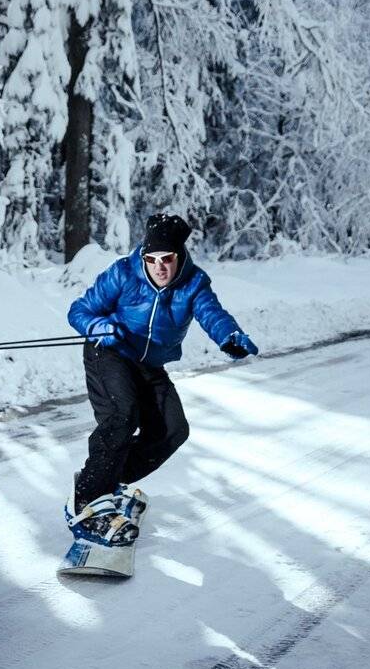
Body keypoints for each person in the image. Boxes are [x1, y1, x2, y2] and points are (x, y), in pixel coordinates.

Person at [64, 213, 259, 545]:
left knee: (172, 430)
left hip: (149, 364)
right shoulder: (123, 273)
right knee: (122, 416)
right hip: (109, 351)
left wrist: (229, 336)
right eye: (151, 259)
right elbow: (79, 310)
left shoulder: (194, 283)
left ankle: (105, 480)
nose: (159, 267)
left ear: (179, 255)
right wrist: (98, 326)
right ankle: (86, 501)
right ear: (143, 256)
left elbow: (213, 314)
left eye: (166, 258)